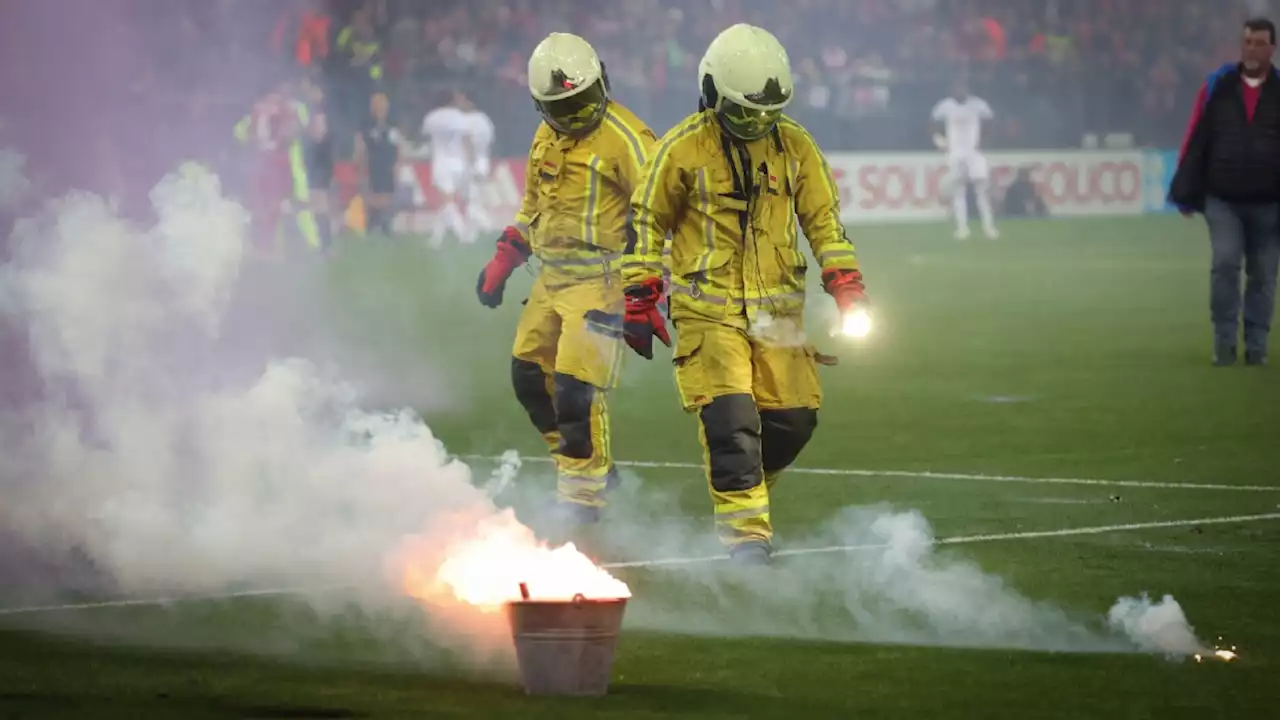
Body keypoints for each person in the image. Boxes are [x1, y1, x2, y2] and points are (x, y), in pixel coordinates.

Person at [621, 23, 866, 565]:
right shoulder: (679, 149)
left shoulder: (796, 146)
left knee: (794, 422)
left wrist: (846, 283)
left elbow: (824, 222)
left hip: (778, 311)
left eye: (766, 115)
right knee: (731, 422)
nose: (757, 124)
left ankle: (744, 494)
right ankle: (746, 541)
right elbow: (644, 223)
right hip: (706, 311)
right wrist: (639, 295)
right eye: (744, 113)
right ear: (711, 95)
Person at [474, 32, 658, 527]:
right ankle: (590, 467)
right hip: (551, 280)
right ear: (541, 106)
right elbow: (535, 205)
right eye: (565, 107)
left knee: (578, 390)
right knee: (530, 378)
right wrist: (506, 256)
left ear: (603, 82)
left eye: (584, 101)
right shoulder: (544, 138)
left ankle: (582, 499)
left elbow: (658, 215)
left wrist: (644, 292)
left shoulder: (629, 140)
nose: (577, 115)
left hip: (602, 284)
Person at [1170, 17, 1280, 367]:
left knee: (1263, 274)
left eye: (1259, 43)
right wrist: (1184, 190)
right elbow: (1195, 134)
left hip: (1270, 200)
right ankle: (1224, 344)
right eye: (1247, 42)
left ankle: (1257, 347)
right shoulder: (1217, 84)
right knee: (1226, 263)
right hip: (1223, 197)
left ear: (1272, 49)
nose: (1251, 49)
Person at [233, 78, 322, 256]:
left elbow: (240, 134)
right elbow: (312, 131)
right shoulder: (292, 108)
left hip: (272, 164)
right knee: (289, 205)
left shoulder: (261, 109)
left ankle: (295, 245)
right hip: (281, 164)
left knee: (276, 206)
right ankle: (303, 245)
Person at [931, 77, 998, 240]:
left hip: (974, 153)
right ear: (952, 89)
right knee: (958, 191)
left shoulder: (978, 105)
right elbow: (933, 123)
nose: (960, 90)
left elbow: (990, 121)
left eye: (962, 87)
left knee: (982, 190)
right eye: (957, 87)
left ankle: (988, 227)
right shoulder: (945, 106)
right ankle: (962, 228)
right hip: (955, 153)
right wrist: (939, 140)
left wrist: (984, 142)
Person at [421, 90, 489, 245]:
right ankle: (436, 239)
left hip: (441, 164)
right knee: (450, 202)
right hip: (460, 163)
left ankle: (462, 233)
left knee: (447, 202)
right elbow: (467, 141)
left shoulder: (431, 118)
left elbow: (425, 138)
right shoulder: (460, 117)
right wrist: (472, 163)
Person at [354, 91, 402, 237]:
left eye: (384, 105)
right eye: (378, 105)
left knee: (388, 195)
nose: (382, 108)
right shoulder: (367, 124)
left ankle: (386, 225)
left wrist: (398, 163)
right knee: (374, 194)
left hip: (388, 163)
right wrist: (360, 161)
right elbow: (360, 144)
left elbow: (398, 145)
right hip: (373, 163)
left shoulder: (392, 124)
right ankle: (373, 223)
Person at [300, 74, 334, 251]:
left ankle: (325, 244)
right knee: (317, 202)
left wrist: (304, 132)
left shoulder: (319, 111)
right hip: (318, 162)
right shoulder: (316, 110)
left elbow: (318, 135)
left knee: (319, 201)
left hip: (319, 162)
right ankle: (322, 243)